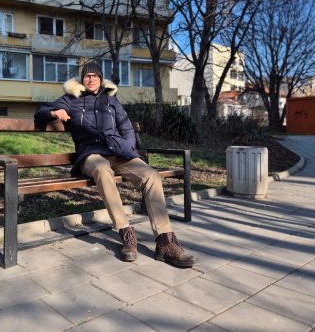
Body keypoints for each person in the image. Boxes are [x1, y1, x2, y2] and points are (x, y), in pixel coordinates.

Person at [34, 61, 196, 267]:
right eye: (87, 76)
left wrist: (127, 147)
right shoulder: (71, 99)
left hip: (118, 152)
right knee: (102, 170)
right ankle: (126, 233)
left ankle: (165, 242)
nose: (91, 79)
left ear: (101, 79)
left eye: (95, 76)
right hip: (90, 153)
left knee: (151, 175)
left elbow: (126, 128)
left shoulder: (111, 101)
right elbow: (40, 111)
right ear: (82, 80)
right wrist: (53, 113)